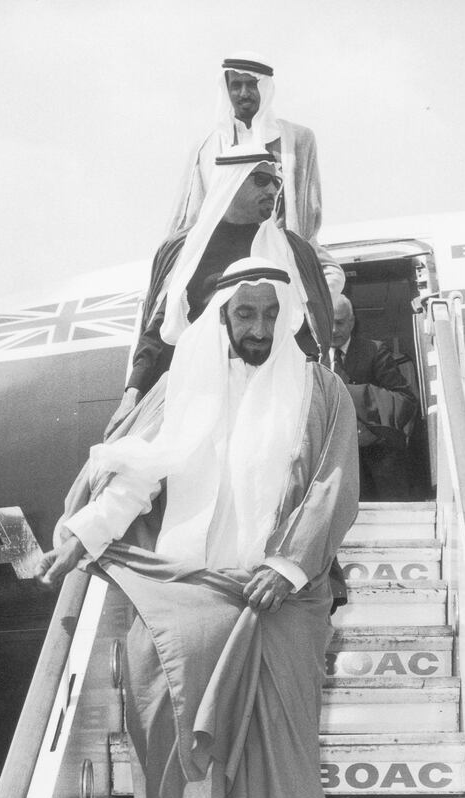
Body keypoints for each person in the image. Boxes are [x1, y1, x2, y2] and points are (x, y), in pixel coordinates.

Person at [36, 258, 359, 798]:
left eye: (271, 315)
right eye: (246, 315)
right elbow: (130, 483)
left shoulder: (319, 390)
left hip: (278, 600)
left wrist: (287, 564)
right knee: (185, 736)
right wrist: (81, 535)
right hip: (189, 587)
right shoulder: (178, 392)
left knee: (272, 756)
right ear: (220, 317)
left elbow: (334, 486)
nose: (260, 329)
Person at [111, 145, 342, 430]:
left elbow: (307, 333)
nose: (273, 189)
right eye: (261, 179)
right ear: (231, 180)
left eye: (277, 182)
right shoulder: (184, 249)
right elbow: (159, 330)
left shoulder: (293, 250)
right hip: (199, 399)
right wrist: (132, 393)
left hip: (271, 402)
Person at [168, 52, 328, 251]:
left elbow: (310, 213)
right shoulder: (206, 148)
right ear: (226, 89)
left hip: (286, 252)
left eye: (251, 84)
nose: (244, 93)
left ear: (265, 87)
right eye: (236, 86)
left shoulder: (297, 140)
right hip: (222, 254)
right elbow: (191, 217)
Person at [328, 294, 419, 501]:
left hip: (379, 464)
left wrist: (353, 395)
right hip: (334, 470)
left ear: (351, 322)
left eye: (340, 322)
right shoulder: (312, 359)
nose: (333, 330)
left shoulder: (374, 351)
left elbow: (405, 400)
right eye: (328, 322)